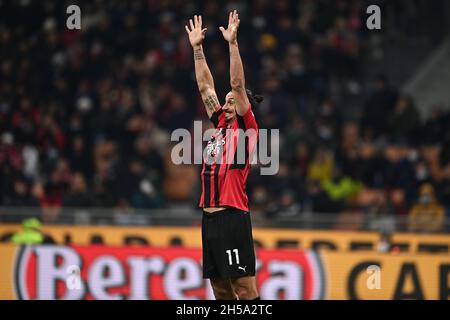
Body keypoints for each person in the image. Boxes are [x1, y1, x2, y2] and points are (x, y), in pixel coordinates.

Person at [185, 11, 261, 300]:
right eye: (225, 101)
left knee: (244, 288)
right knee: (220, 288)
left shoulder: (245, 128)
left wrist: (232, 44)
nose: (226, 105)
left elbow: (237, 85)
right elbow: (205, 86)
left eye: (232, 102)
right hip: (210, 218)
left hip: (233, 216)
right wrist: (197, 49)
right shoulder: (219, 125)